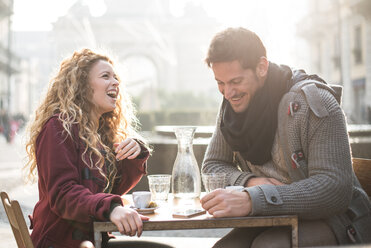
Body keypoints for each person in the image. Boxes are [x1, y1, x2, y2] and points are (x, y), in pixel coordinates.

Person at [200, 27, 371, 247]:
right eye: (220, 83)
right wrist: (250, 182)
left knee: (268, 246)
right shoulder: (232, 106)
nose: (228, 93)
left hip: (339, 222)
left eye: (235, 81)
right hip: (272, 218)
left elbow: (334, 189)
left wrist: (255, 199)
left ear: (261, 67)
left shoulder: (316, 101)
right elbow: (212, 166)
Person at [24, 48, 161, 248]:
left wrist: (135, 156)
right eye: (105, 76)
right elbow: (63, 194)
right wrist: (111, 208)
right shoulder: (58, 127)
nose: (115, 83)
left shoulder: (100, 134)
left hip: (92, 240)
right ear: (81, 86)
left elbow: (111, 190)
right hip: (63, 242)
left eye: (116, 78)